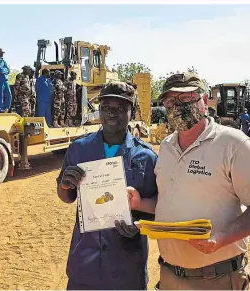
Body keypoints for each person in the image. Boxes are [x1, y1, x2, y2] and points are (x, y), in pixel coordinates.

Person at [129, 72, 250, 290]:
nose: (177, 107)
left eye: (185, 99)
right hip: (170, 276)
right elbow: (169, 201)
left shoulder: (233, 144)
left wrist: (221, 238)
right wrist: (140, 203)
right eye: (170, 101)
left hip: (217, 279)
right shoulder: (167, 146)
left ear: (204, 100)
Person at [57, 81, 158, 290]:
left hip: (127, 268)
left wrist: (138, 227)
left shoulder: (146, 157)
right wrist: (65, 186)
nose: (112, 114)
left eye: (121, 108)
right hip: (84, 266)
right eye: (106, 108)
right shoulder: (78, 149)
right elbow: (67, 197)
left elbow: (157, 208)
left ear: (132, 111)